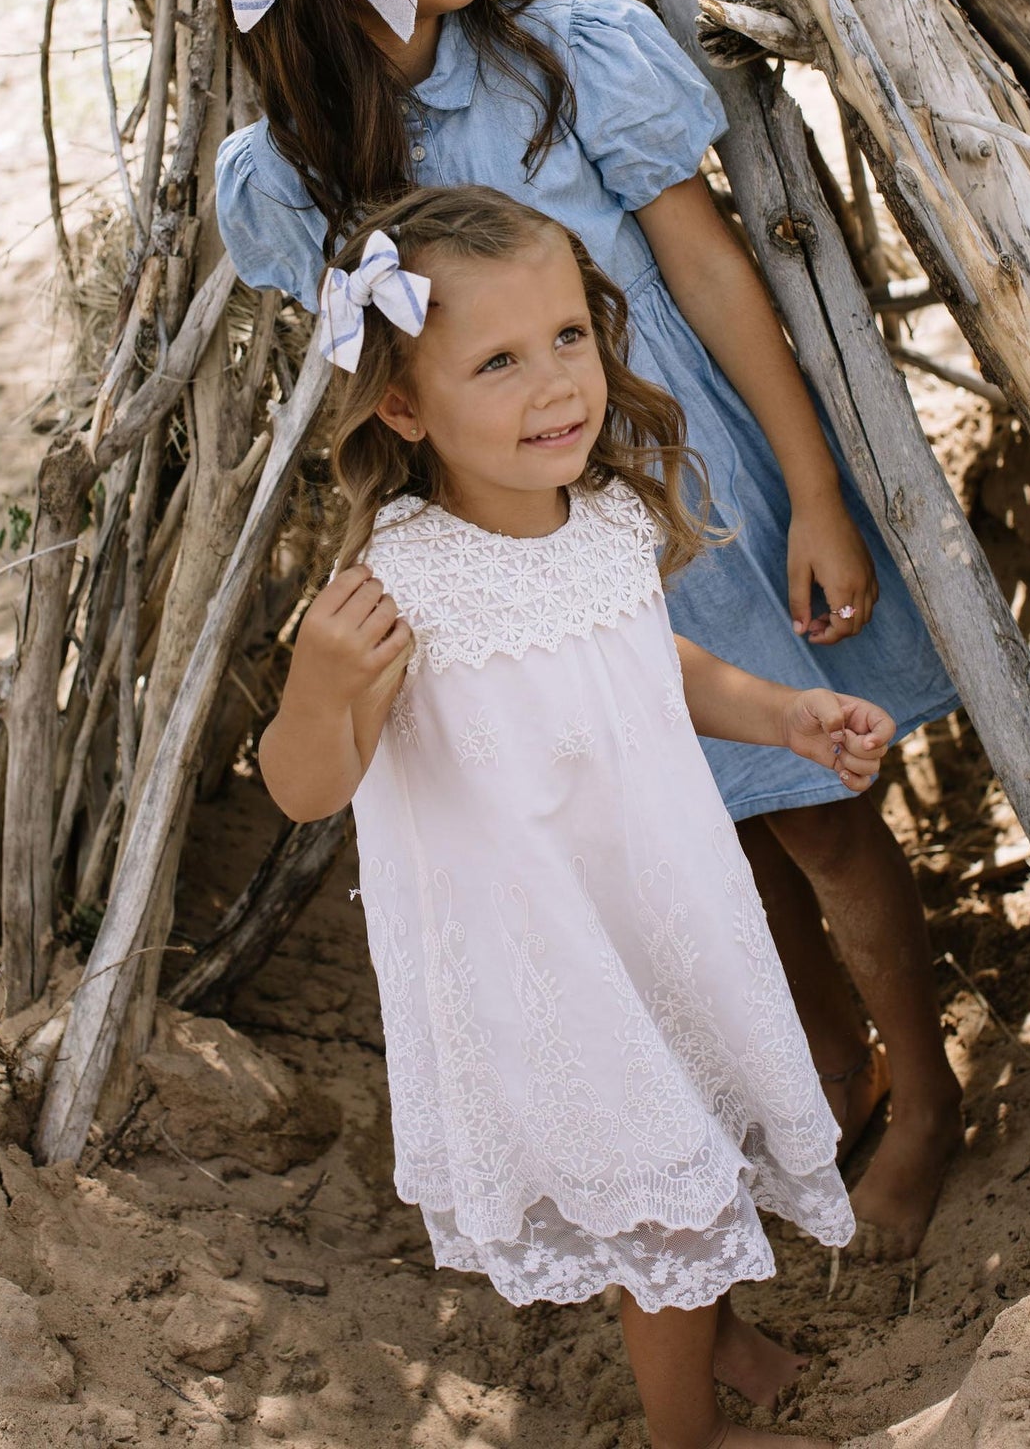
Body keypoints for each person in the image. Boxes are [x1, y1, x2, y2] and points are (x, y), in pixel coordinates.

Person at [196, 0, 964, 1258]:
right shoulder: (287, 176)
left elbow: (710, 273)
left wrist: (810, 488)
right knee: (689, 827)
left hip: (696, 501)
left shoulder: (569, 55)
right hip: (535, 547)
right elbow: (387, 400)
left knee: (807, 809)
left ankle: (929, 1094)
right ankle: (826, 1072)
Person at [263, 185, 886, 1448]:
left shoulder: (598, 514)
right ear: (401, 402)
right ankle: (682, 1434)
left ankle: (710, 1331)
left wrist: (783, 715)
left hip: (650, 900)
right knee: (656, 1194)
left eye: (566, 337)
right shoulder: (400, 579)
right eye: (496, 361)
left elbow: (642, 662)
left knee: (689, 1120)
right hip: (541, 955)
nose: (555, 384)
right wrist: (318, 687)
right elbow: (306, 787)